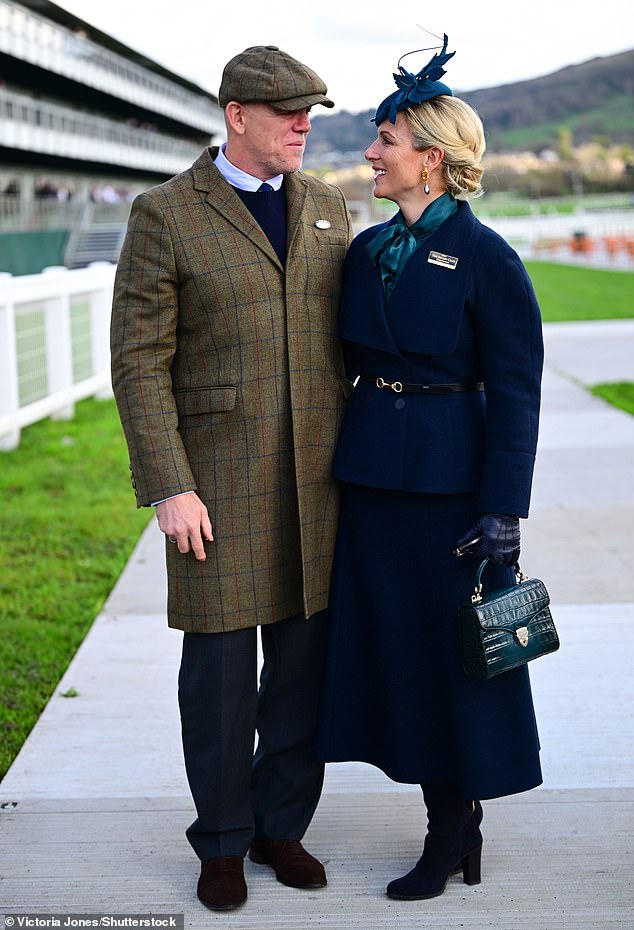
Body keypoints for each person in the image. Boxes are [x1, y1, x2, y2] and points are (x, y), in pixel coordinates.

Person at [110, 45, 352, 911]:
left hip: (319, 483)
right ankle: (220, 839)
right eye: (288, 110)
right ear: (235, 115)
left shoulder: (328, 206)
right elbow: (139, 361)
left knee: (301, 671)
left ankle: (280, 826)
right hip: (214, 486)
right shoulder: (165, 213)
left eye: (310, 111)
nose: (304, 125)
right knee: (217, 679)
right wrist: (168, 483)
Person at [318, 35, 545, 901]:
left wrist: (504, 509)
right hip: (372, 484)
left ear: (432, 161)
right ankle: (449, 819)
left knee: (458, 661)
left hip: (453, 493)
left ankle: (454, 827)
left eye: (385, 140)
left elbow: (517, 394)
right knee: (400, 655)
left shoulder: (489, 260)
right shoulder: (367, 253)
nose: (371, 153)